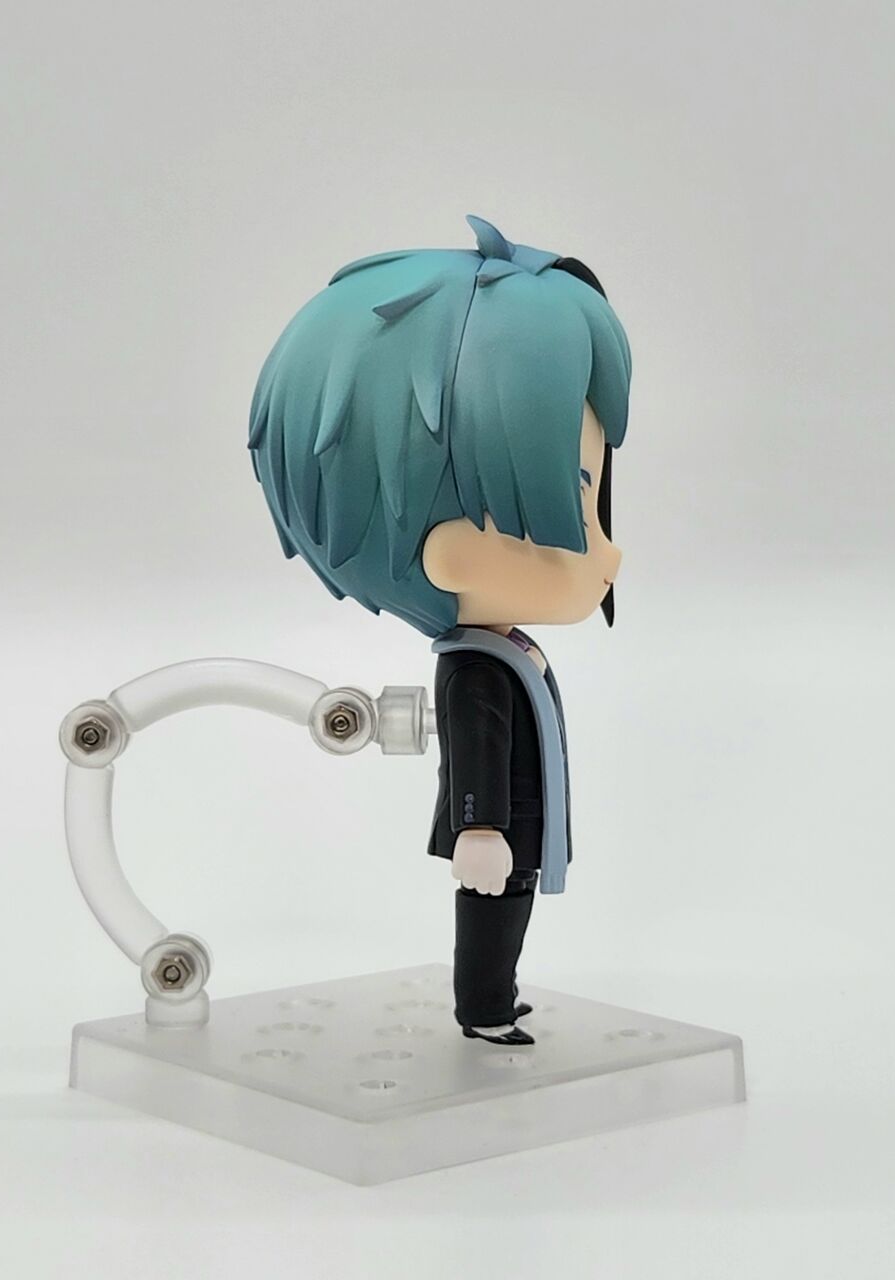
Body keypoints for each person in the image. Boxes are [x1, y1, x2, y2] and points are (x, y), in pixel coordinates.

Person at [248, 216, 631, 1045]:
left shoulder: (504, 648)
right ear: (447, 549)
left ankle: (497, 994)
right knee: (493, 910)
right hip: (499, 827)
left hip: (523, 827)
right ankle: (484, 1008)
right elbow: (474, 747)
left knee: (511, 909)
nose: (609, 550)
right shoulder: (477, 667)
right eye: (572, 506)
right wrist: (477, 826)